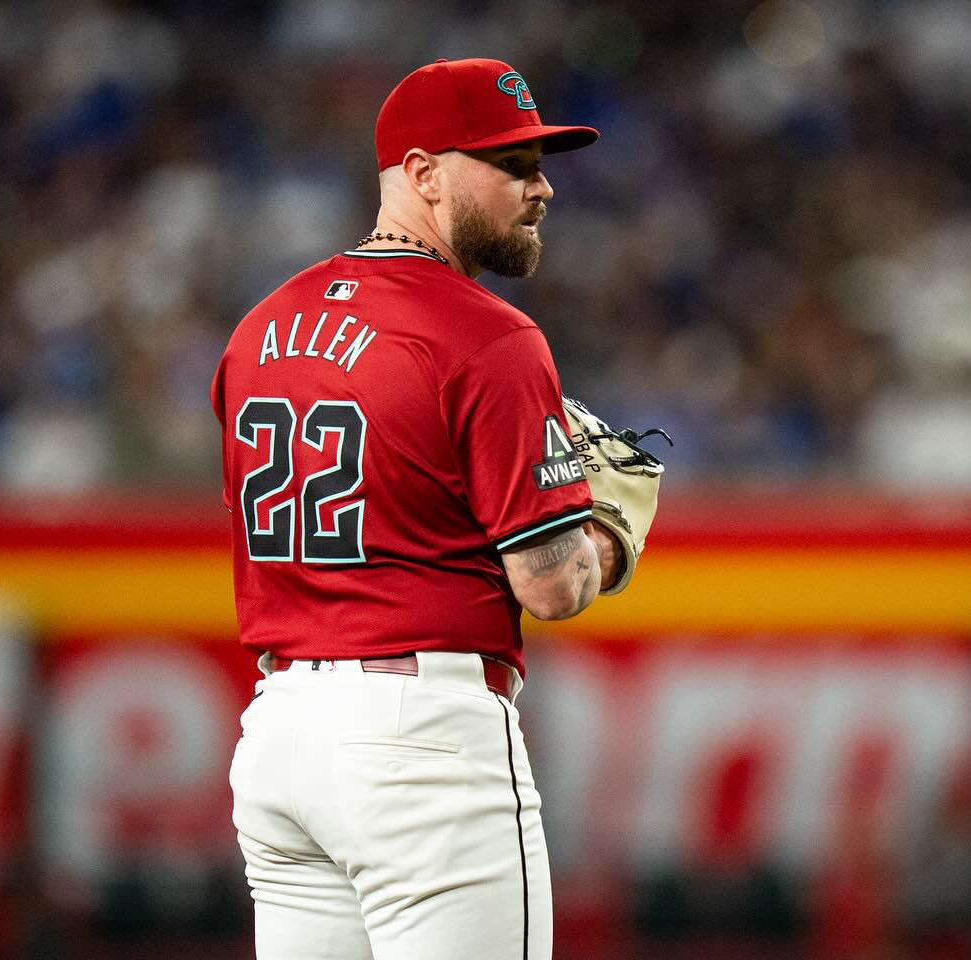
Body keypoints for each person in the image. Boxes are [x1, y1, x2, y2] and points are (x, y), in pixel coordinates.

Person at [210, 57, 619, 959]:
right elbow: (552, 587)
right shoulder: (489, 334)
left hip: (280, 732)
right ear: (424, 173)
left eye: (538, 164)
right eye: (510, 164)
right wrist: (609, 539)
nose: (542, 187)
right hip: (422, 743)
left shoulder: (259, 328)